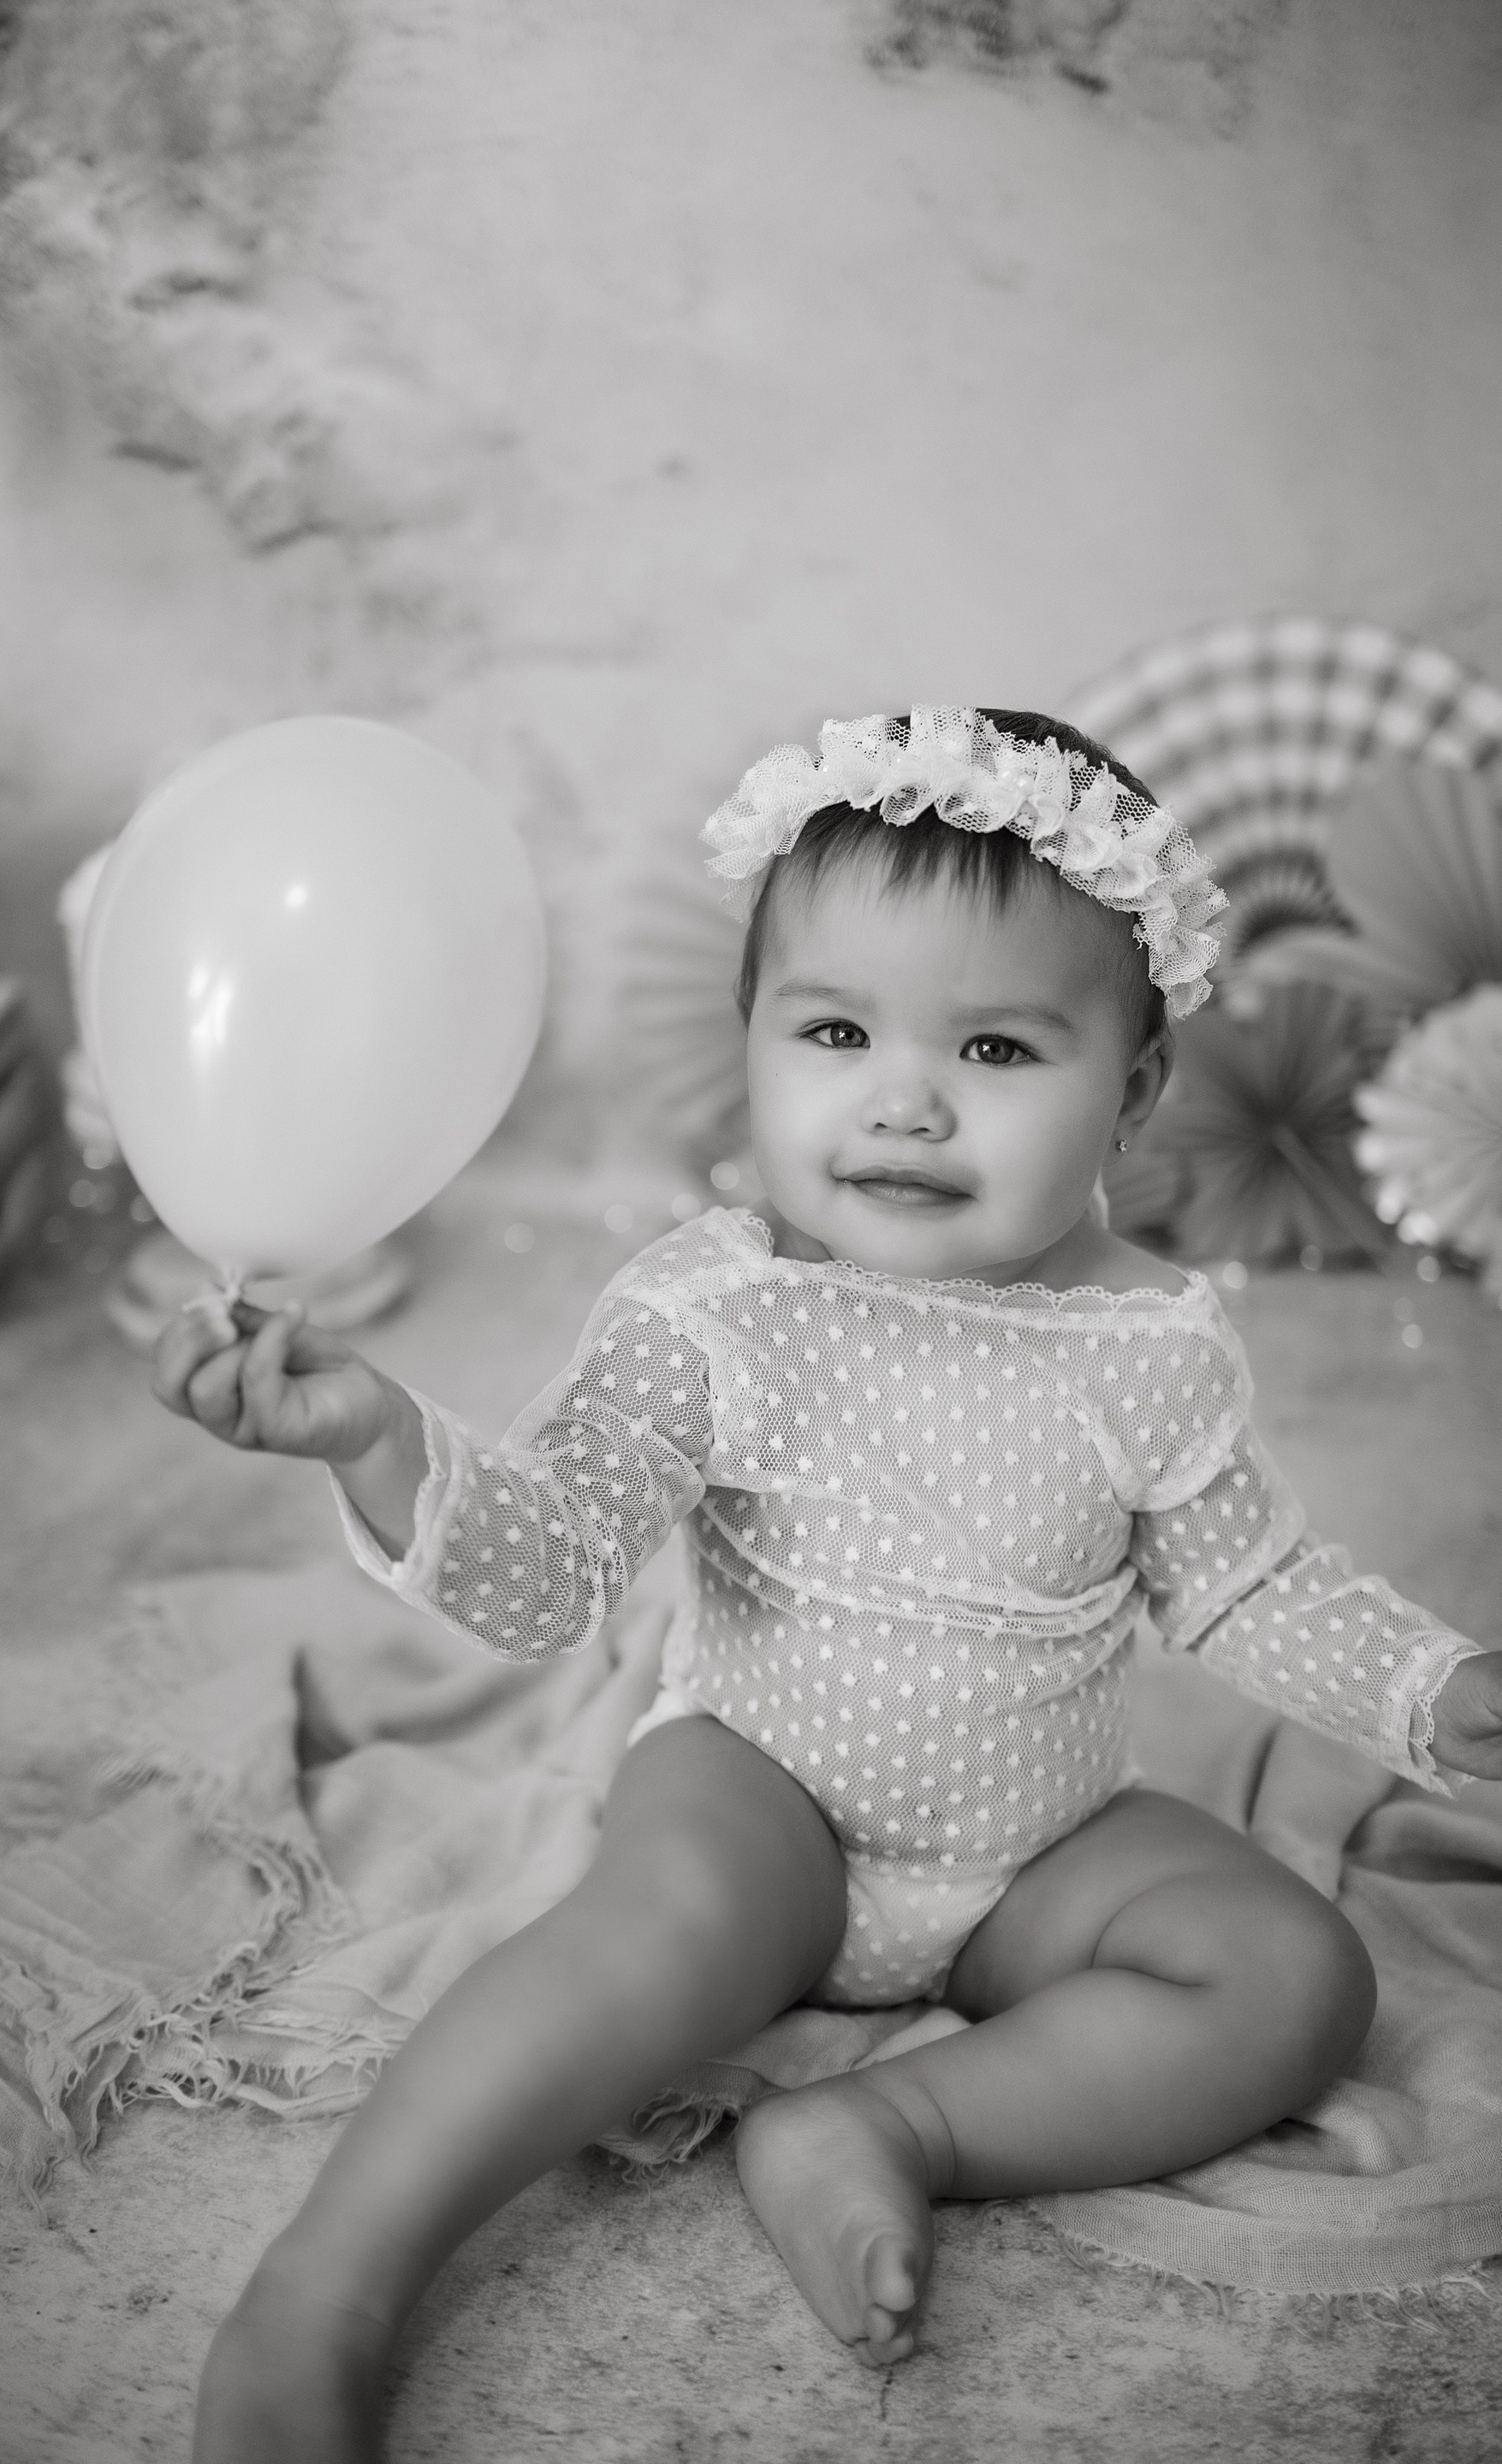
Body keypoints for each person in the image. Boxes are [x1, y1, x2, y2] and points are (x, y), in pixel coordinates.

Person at [155, 707, 1502, 2464]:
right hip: (764, 1792)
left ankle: (892, 2128)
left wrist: (1433, 1692)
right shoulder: (717, 1311)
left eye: (998, 1047)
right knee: (652, 1931)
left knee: (1296, 1973)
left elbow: (1244, 1590)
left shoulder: (1151, 1343)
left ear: (1133, 1089)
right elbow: (550, 1569)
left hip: (1037, 1852)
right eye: (839, 1031)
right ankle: (328, 2288)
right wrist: (378, 1439)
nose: (905, 1099)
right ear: (755, 1044)